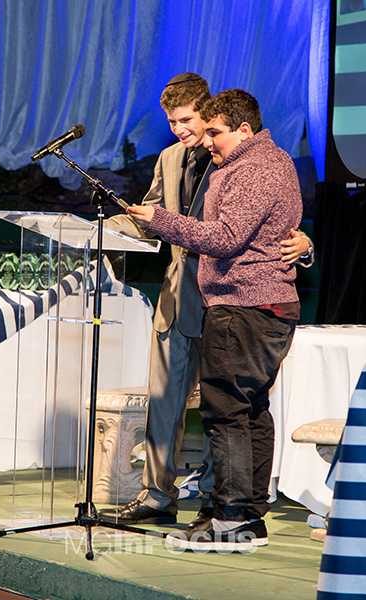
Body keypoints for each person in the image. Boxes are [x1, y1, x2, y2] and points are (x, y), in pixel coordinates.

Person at [104, 74, 312, 527]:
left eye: (189, 121)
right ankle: (160, 496)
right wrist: (108, 229)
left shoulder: (249, 163)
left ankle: (225, 505)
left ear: (213, 115)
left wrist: (305, 244)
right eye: (172, 122)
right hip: (183, 296)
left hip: (236, 298)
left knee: (229, 409)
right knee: (173, 402)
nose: (180, 130)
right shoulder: (171, 159)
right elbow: (150, 217)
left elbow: (239, 233)